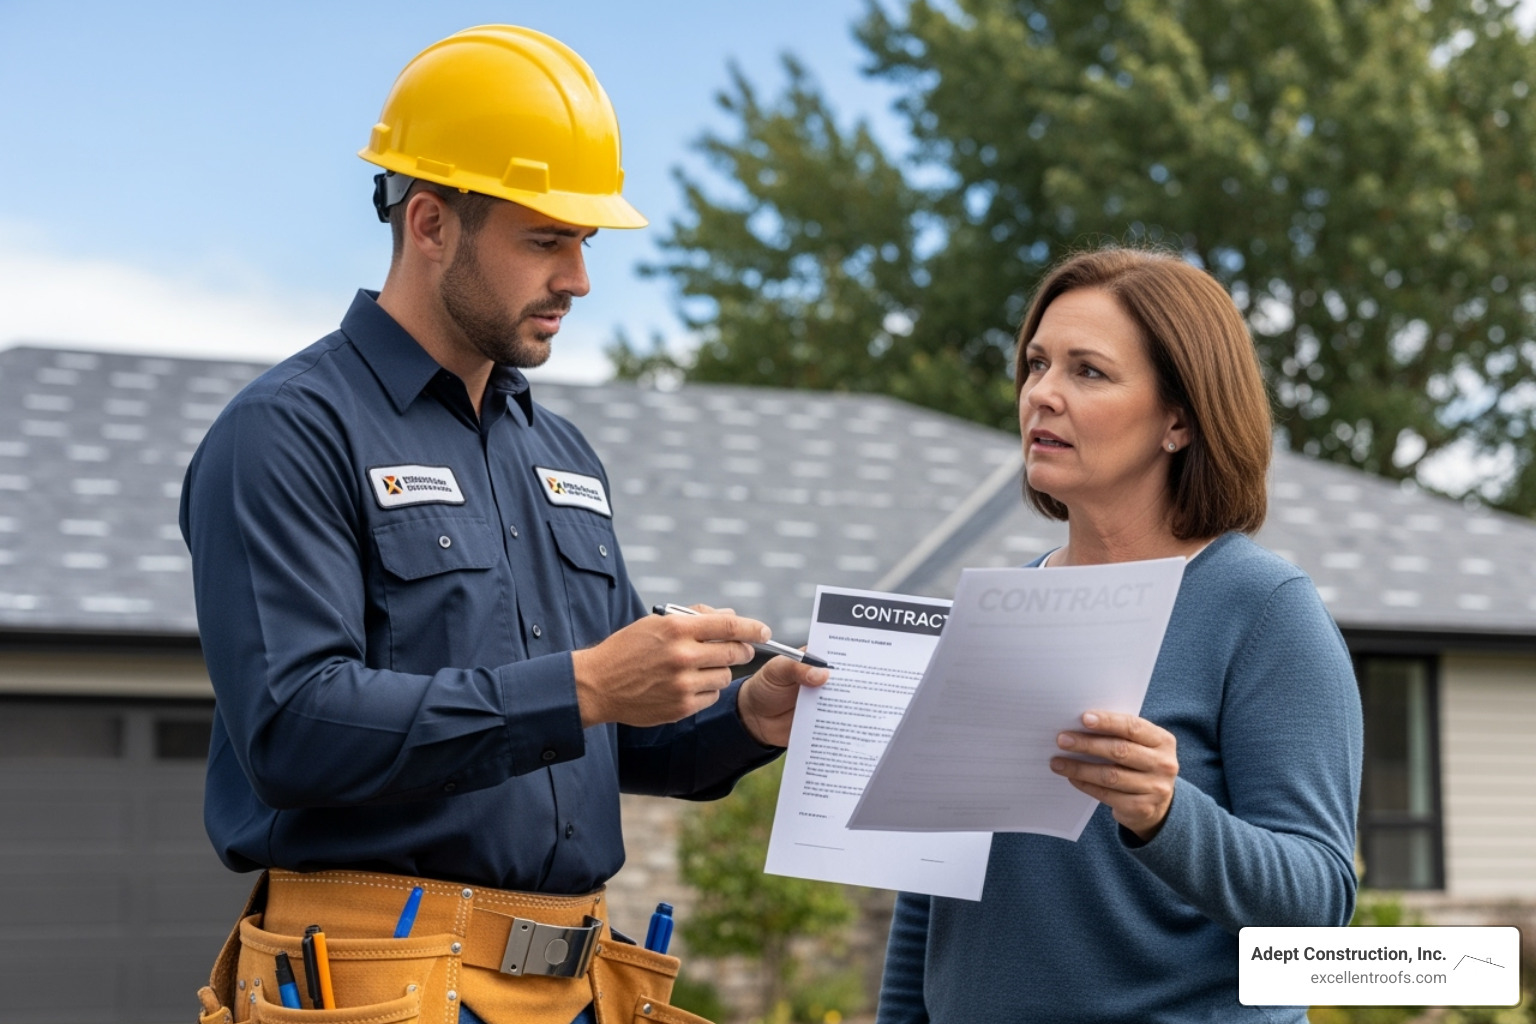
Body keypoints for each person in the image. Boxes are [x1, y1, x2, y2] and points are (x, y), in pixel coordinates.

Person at [180, 25, 825, 1024]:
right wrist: (584, 683)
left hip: (576, 988)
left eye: (585, 242)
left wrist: (746, 717)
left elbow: (607, 732)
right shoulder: (288, 432)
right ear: (430, 222)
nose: (578, 279)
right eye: (545, 239)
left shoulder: (560, 454)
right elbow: (293, 726)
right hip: (376, 984)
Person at [875, 247, 1363, 1024]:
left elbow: (1319, 902)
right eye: (1037, 364)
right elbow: (933, 890)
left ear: (1179, 419)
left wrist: (1167, 815)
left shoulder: (1266, 612)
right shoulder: (999, 608)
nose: (1043, 395)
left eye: (1088, 372)